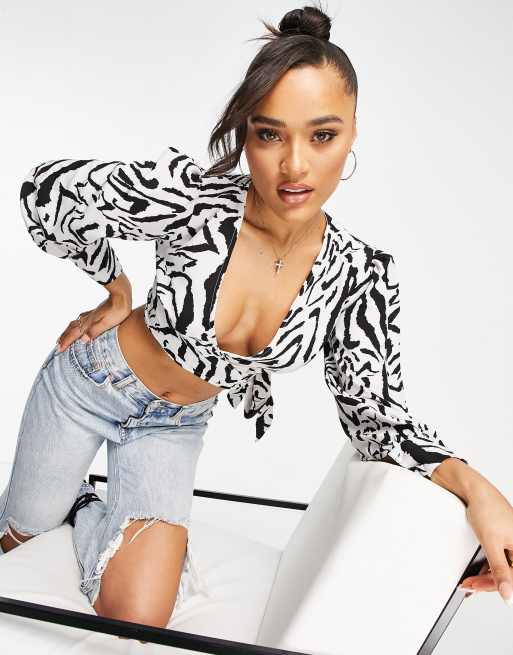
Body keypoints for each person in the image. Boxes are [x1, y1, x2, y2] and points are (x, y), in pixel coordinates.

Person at [2, 2, 513, 642]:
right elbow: (49, 191)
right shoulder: (192, 201)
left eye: (322, 136)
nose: (295, 166)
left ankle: (86, 504)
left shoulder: (357, 277)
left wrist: (479, 490)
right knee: (18, 544)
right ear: (246, 133)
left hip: (174, 425)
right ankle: (51, 507)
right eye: (270, 135)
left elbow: (377, 417)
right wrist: (113, 283)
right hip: (87, 386)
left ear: (353, 130)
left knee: (140, 616)